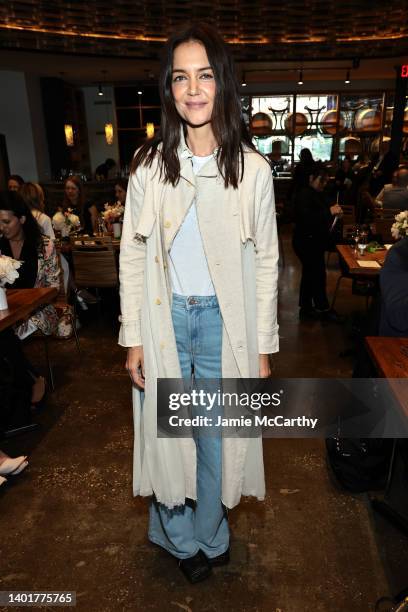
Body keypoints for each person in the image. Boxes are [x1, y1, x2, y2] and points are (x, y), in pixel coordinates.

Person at [119, 23, 279, 583]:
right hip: (164, 322)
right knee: (172, 438)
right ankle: (183, 540)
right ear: (168, 88)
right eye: (181, 76)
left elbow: (266, 264)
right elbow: (132, 257)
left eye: (205, 75)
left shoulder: (253, 170)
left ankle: (210, 534)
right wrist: (132, 335)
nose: (193, 88)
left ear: (223, 84)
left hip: (221, 326)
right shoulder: (148, 165)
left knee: (216, 439)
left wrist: (262, 348)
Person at [0, 191, 59, 339]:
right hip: (5, 310)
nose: (1, 227)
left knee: (8, 333)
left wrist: (28, 307)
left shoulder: (44, 246)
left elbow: (54, 287)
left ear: (22, 219)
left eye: (6, 222)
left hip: (38, 310)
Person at [292, 164, 343, 321]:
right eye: (322, 180)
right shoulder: (304, 194)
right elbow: (307, 218)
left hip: (312, 241)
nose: (325, 184)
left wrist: (334, 210)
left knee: (311, 274)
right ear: (311, 178)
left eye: (326, 181)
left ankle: (307, 308)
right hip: (306, 242)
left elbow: (325, 206)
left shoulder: (316, 192)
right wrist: (329, 211)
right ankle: (322, 308)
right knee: (316, 274)